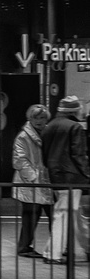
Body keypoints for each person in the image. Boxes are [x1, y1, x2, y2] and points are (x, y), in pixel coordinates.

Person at [41, 95, 90, 265]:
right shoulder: (75, 127)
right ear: (74, 110)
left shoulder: (49, 126)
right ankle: (52, 253)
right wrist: (87, 173)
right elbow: (78, 154)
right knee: (64, 214)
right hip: (73, 177)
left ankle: (88, 246)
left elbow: (45, 154)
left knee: (73, 213)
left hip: (56, 175)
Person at [12, 104, 53, 259]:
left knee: (51, 214)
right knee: (31, 216)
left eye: (42, 117)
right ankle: (24, 247)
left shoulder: (46, 132)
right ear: (30, 118)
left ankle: (56, 246)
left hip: (44, 181)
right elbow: (19, 160)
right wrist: (34, 178)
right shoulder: (23, 136)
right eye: (35, 117)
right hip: (31, 183)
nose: (39, 121)